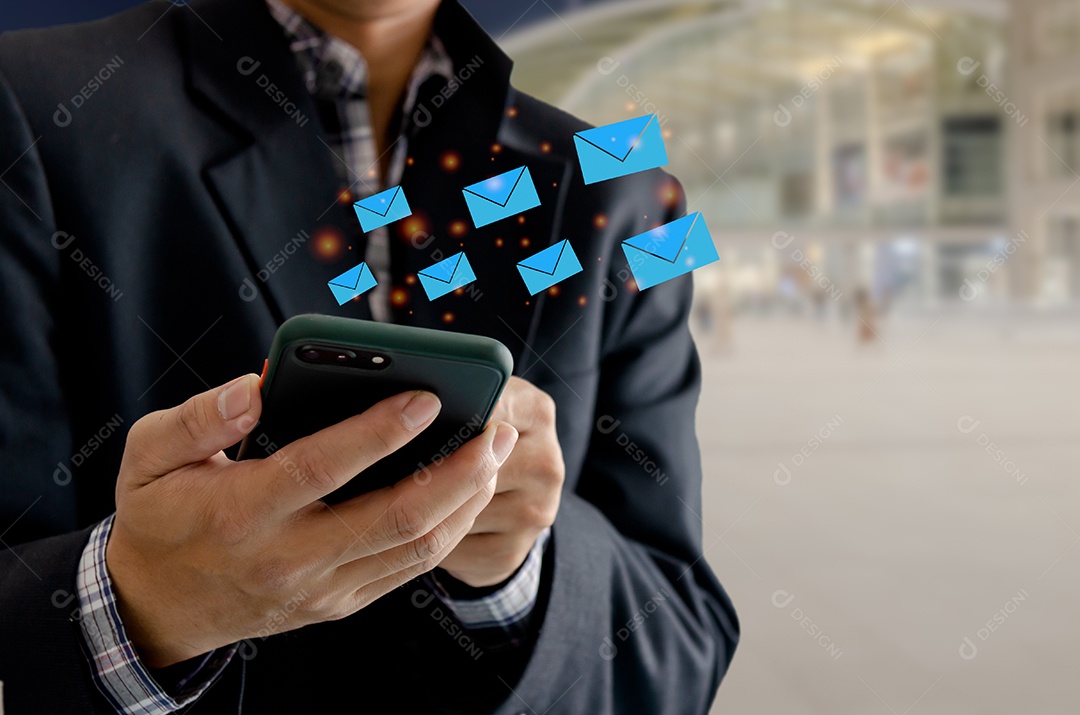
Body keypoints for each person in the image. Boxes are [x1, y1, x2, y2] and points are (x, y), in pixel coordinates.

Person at [0, 0, 739, 712]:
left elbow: (683, 648)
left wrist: (520, 572)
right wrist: (135, 603)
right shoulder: (29, 105)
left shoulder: (623, 194)